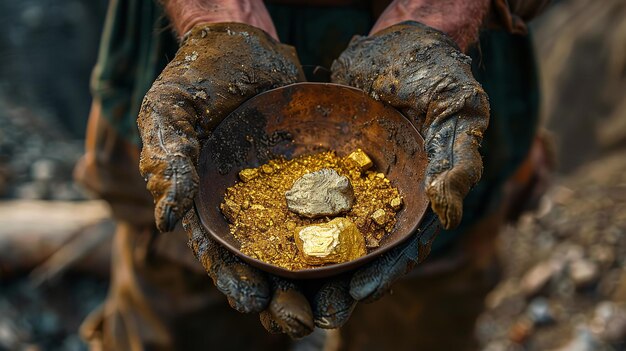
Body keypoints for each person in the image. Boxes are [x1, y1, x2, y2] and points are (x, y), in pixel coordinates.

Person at [74, 0, 550, 349]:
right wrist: (213, 18)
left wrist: (438, 16)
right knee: (182, 307)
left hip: (431, 75)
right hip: (197, 69)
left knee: (423, 308)